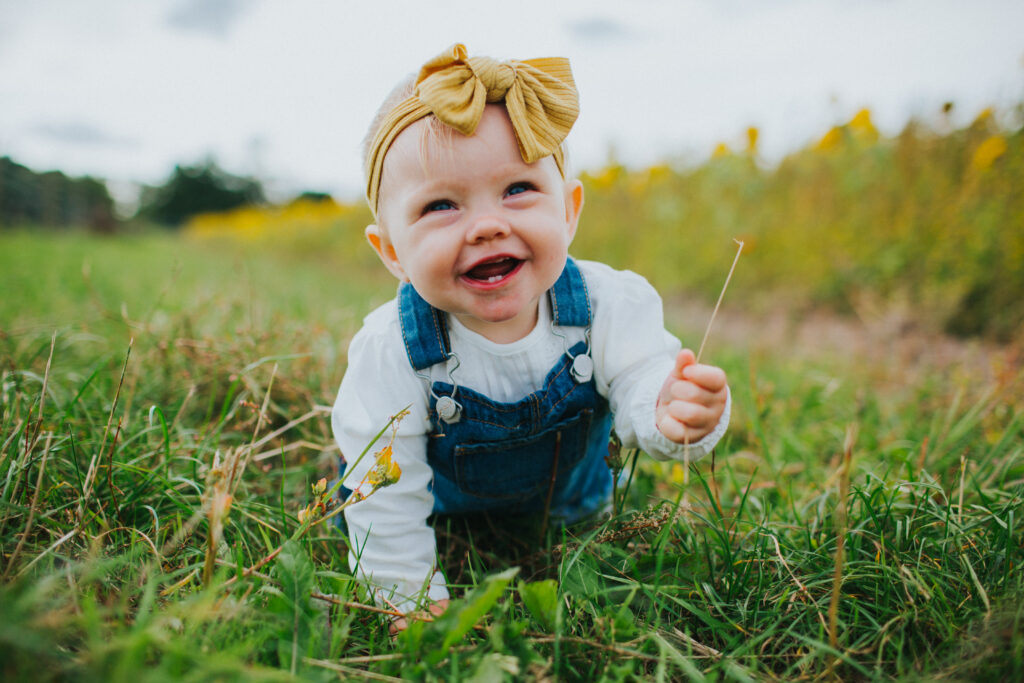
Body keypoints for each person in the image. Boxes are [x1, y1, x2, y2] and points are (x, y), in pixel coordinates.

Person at [331, 43, 730, 630]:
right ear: (392, 251)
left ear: (569, 212)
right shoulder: (392, 349)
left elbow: (644, 380)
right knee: (365, 473)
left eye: (518, 189)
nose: (489, 224)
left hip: (571, 509)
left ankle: (567, 522)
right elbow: (382, 489)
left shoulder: (607, 306)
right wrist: (407, 597)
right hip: (447, 516)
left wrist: (670, 410)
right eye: (442, 205)